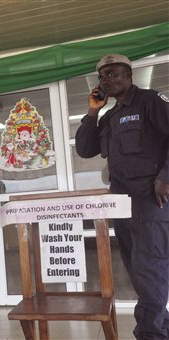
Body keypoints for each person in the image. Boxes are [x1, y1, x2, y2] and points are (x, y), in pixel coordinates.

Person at [75, 54, 169, 340]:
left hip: (151, 202)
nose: (108, 80)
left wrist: (166, 177)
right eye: (103, 76)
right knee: (138, 272)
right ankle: (161, 328)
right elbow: (84, 148)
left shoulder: (150, 101)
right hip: (122, 204)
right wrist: (93, 112)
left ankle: (151, 334)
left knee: (149, 270)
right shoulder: (111, 115)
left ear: (129, 76)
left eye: (114, 74)